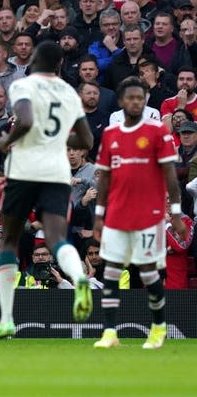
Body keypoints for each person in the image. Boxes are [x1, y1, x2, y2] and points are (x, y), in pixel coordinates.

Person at [0, 41, 94, 340]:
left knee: (9, 239)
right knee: (56, 237)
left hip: (24, 169)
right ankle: (79, 279)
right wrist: (58, 138)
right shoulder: (69, 93)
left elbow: (25, 120)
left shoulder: (24, 85)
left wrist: (6, 141)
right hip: (57, 172)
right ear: (60, 65)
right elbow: (86, 140)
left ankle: (7, 318)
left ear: (35, 60)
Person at [93, 77, 186, 350]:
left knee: (148, 271)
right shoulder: (110, 134)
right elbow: (105, 179)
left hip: (149, 214)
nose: (135, 102)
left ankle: (158, 327)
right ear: (122, 101)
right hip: (117, 216)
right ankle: (109, 333)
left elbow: (171, 178)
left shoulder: (158, 131)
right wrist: (99, 215)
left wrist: (177, 215)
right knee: (110, 270)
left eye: (140, 97)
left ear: (145, 101)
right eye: (131, 97)